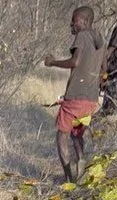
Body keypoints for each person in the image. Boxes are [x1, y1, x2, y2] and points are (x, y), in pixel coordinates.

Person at [45, 6, 105, 182]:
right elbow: (105, 70)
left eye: (75, 20)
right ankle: (81, 163)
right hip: (91, 100)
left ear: (85, 21)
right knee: (77, 133)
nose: (72, 23)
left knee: (61, 136)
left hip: (75, 97)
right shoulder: (100, 39)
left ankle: (68, 179)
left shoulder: (83, 35)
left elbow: (75, 61)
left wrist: (52, 62)